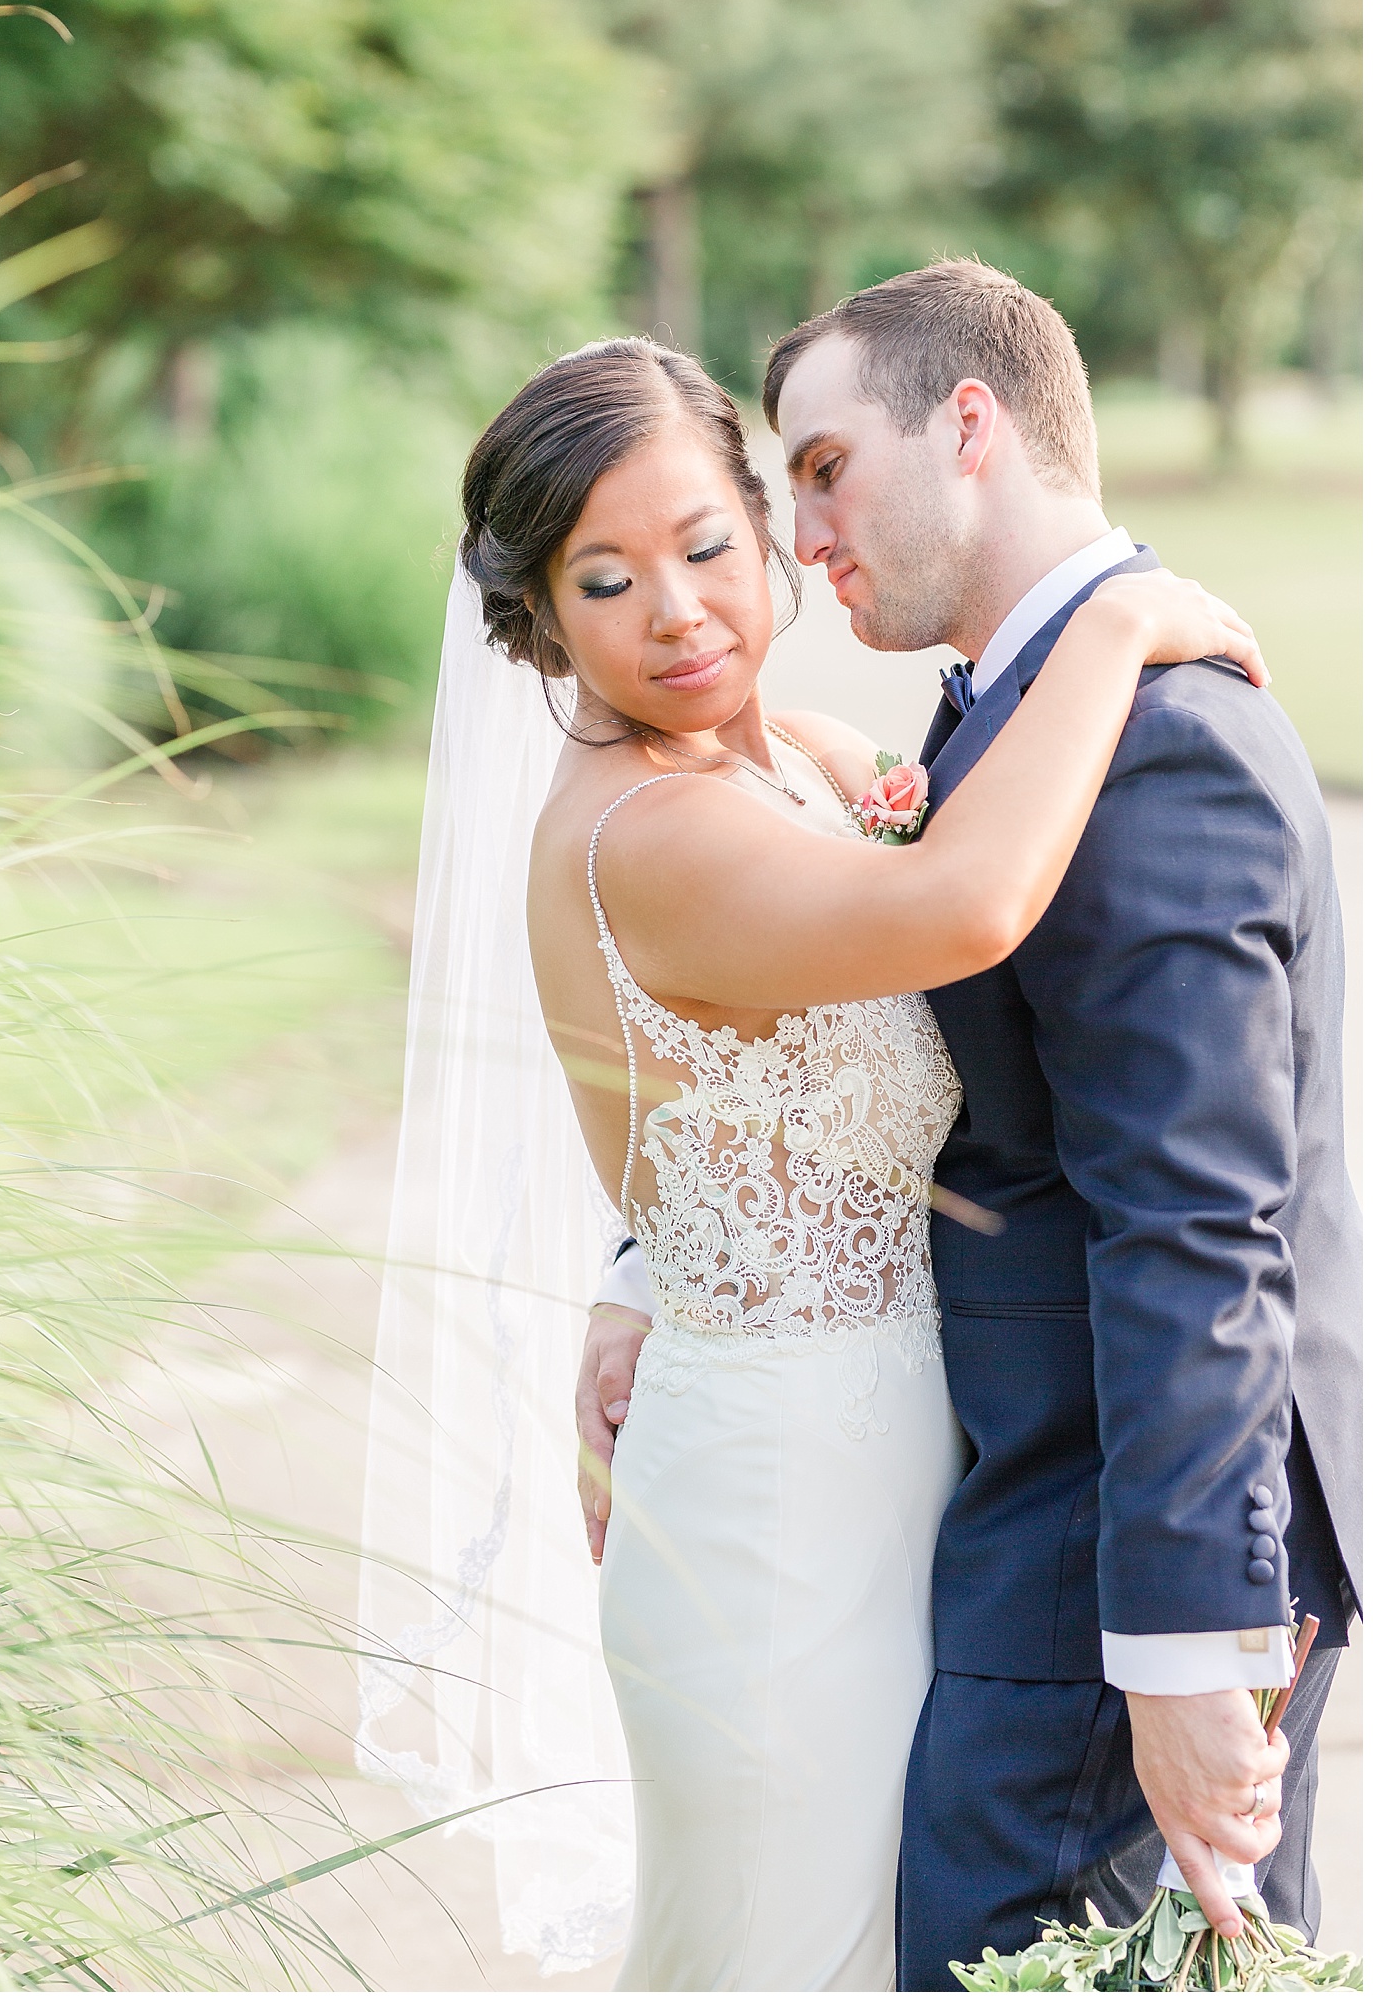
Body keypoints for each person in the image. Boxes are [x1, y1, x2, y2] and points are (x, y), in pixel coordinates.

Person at [451, 320, 1270, 1993]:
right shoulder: (647, 832)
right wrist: (1116, 622)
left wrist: (637, 1263)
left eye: (702, 546)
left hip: (915, 1466)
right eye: (605, 582)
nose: (677, 611)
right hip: (770, 1500)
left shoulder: (813, 765)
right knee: (783, 1941)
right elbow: (961, 905)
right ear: (541, 617)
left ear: (768, 539)